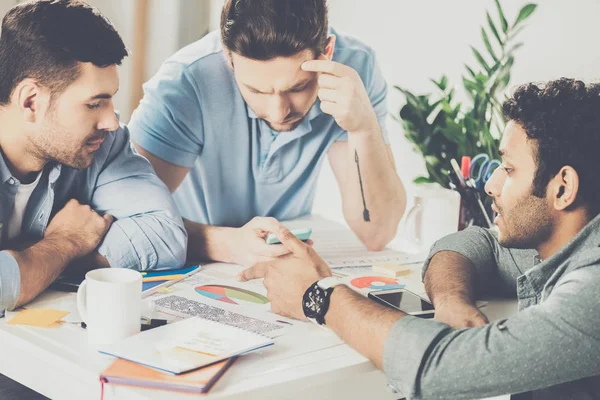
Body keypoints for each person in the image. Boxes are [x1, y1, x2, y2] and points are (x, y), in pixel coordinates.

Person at [239, 78, 600, 399]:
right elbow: (477, 243)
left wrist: (318, 294)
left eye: (508, 170)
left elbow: (440, 369)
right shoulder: (567, 244)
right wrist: (450, 298)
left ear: (563, 187)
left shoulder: (593, 290)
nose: (491, 185)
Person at [129, 0, 406, 267]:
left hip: (287, 264)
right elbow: (129, 219)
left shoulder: (354, 72)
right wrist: (225, 243)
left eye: (297, 88)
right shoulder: (183, 82)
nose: (278, 113)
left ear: (328, 51)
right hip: (192, 259)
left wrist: (363, 128)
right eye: (257, 91)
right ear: (229, 58)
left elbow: (377, 234)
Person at [0, 0, 187, 315]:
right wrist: (66, 242)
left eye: (110, 100)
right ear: (31, 101)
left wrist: (33, 265)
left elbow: (166, 236)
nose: (111, 121)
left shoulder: (105, 143)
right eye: (94, 104)